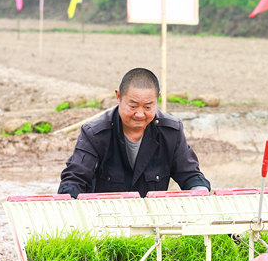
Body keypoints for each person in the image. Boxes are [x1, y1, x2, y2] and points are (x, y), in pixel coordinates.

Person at [58, 68, 210, 198]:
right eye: (133, 106)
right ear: (118, 97)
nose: (140, 114)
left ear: (157, 99)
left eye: (148, 107)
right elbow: (75, 179)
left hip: (153, 220)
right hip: (105, 220)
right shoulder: (95, 133)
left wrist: (199, 191)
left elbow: (190, 175)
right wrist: (69, 200)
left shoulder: (171, 132)